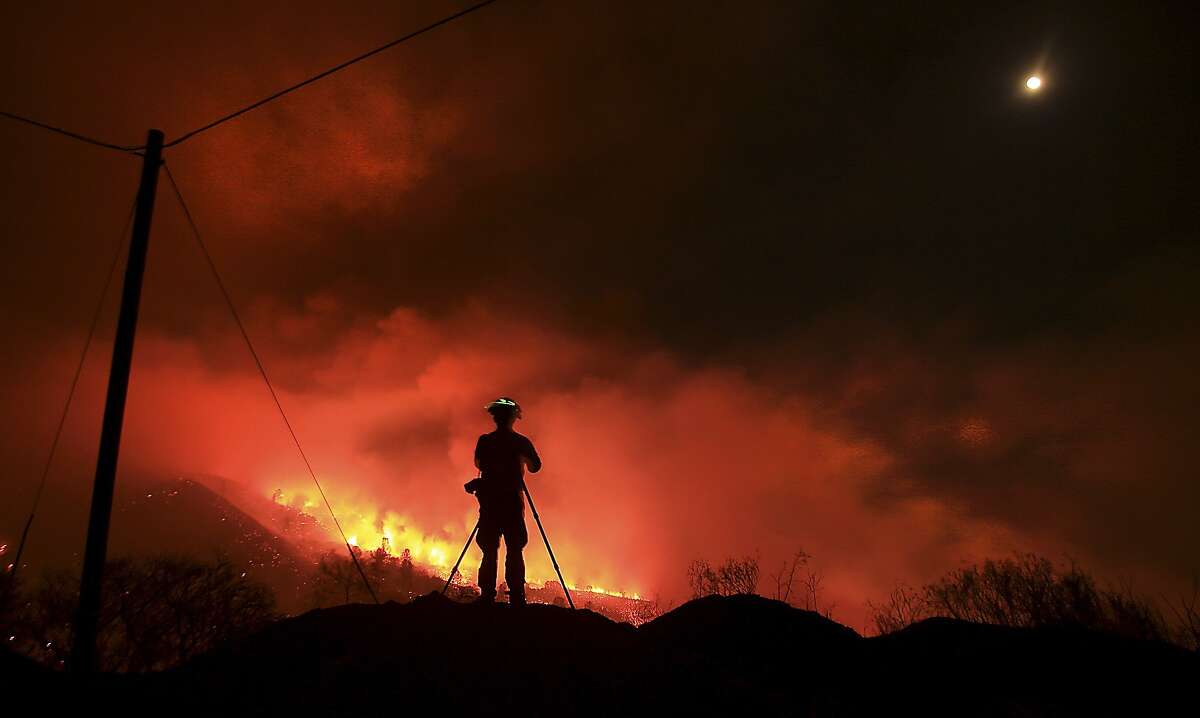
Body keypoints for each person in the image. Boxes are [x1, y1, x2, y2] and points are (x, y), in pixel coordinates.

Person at [464, 396, 541, 606]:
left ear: (495, 418)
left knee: (489, 549)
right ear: (514, 418)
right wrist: (522, 455)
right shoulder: (520, 442)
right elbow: (535, 466)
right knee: (515, 548)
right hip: (512, 504)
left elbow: (478, 462)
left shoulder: (486, 441)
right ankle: (517, 595)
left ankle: (487, 594)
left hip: (490, 503)